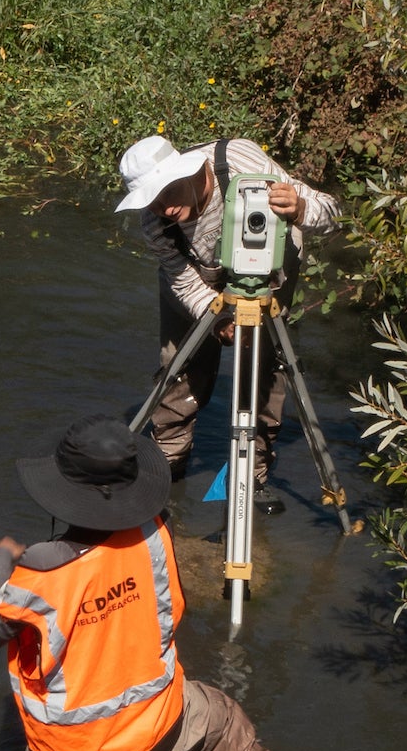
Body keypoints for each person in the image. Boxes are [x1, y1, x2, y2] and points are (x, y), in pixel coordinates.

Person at [0, 415, 289, 751]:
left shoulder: (39, 572)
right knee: (224, 722)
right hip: (162, 717)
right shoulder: (155, 534)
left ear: (61, 493)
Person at [115, 134, 339, 509]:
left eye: (168, 193)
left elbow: (330, 213)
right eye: (153, 200)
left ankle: (251, 475)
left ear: (186, 172)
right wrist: (216, 318)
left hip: (269, 276)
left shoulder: (240, 162)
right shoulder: (154, 223)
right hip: (196, 280)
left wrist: (299, 209)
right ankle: (166, 469)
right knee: (179, 371)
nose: (164, 208)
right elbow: (183, 280)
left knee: (263, 375)